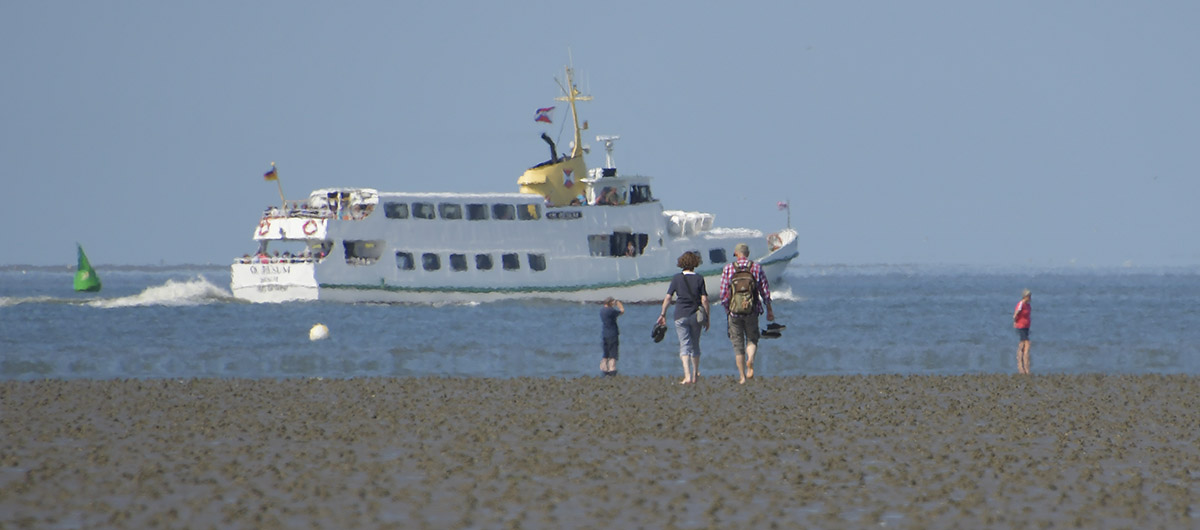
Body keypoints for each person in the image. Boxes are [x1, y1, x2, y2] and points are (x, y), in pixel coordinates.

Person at [719, 243, 774, 384]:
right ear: (747, 254)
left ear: (737, 254)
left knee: (738, 345)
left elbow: (724, 294)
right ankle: (751, 360)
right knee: (752, 338)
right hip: (752, 310)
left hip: (734, 312)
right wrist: (769, 310)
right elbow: (764, 291)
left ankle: (742, 377)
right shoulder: (756, 267)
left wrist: (728, 309)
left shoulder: (728, 269)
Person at [656, 252, 710, 384]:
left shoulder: (676, 278)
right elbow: (704, 300)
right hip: (696, 315)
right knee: (695, 344)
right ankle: (695, 374)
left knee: (684, 344)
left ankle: (687, 376)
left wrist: (663, 313)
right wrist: (707, 317)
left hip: (680, 314)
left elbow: (668, 297)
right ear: (695, 263)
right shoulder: (699, 278)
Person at [600, 297, 624, 376]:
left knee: (605, 354)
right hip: (612, 334)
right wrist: (619, 304)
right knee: (613, 354)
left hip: (605, 334)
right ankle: (612, 369)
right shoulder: (611, 311)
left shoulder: (602, 311)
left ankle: (604, 369)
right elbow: (621, 311)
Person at [1013, 289, 1032, 374]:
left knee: (1022, 344)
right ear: (1025, 296)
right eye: (1029, 296)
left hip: (1026, 326)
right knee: (1027, 343)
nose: (1030, 298)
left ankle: (1021, 364)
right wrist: (1015, 322)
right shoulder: (1021, 304)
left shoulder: (1028, 305)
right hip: (1021, 326)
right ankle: (1024, 363)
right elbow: (1015, 314)